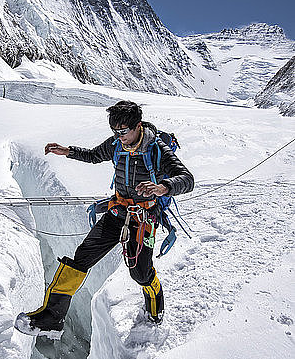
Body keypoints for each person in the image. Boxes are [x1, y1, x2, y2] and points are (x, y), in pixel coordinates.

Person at [15, 100, 194, 338]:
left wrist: (162, 187)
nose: (119, 137)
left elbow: (187, 179)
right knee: (81, 258)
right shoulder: (117, 145)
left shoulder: (157, 149)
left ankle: (155, 308)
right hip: (117, 211)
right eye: (115, 132)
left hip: (143, 219)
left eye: (123, 132)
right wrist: (67, 151)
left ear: (137, 126)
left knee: (140, 273)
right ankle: (52, 317)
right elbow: (94, 155)